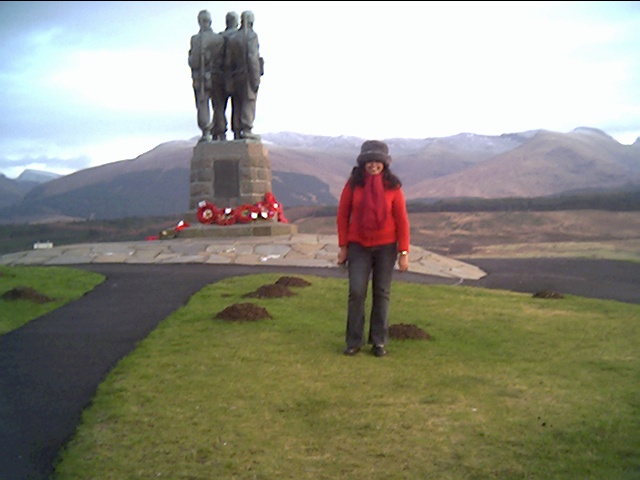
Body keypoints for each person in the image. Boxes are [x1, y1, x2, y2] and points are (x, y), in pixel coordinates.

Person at [336, 140, 410, 357]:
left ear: (384, 163)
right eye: (369, 160)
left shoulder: (393, 187)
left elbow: (402, 221)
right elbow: (342, 215)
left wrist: (403, 252)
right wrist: (343, 247)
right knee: (357, 291)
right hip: (358, 246)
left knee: (382, 292)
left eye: (377, 161)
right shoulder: (353, 185)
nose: (373, 165)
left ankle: (378, 341)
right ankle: (353, 341)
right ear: (363, 162)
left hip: (386, 247)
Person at [224, 10, 263, 140]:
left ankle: (236, 130)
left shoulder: (233, 38)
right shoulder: (251, 36)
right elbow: (252, 58)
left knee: (237, 103)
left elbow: (228, 61)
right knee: (248, 101)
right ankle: (246, 128)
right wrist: (255, 78)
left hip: (235, 75)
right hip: (247, 74)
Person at [188, 10, 226, 142]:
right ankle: (221, 132)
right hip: (218, 77)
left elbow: (194, 61)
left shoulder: (196, 39)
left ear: (199, 22)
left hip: (202, 78)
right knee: (219, 105)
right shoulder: (219, 39)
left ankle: (206, 132)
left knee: (203, 104)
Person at [219, 11, 239, 140]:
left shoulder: (219, 37)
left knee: (219, 106)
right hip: (236, 74)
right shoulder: (240, 36)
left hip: (219, 75)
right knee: (238, 104)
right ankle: (238, 131)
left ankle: (220, 132)